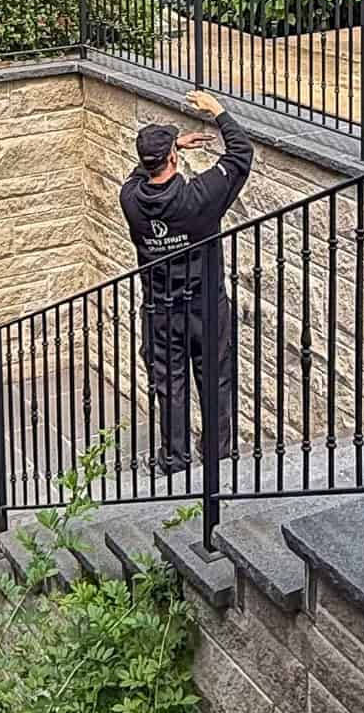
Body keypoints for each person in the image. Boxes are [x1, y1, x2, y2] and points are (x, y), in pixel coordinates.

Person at [118, 89, 253, 476]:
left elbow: (141, 171)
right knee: (215, 379)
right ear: (174, 159)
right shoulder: (199, 197)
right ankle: (216, 454)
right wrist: (218, 111)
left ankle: (175, 461)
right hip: (205, 306)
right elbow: (240, 154)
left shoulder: (131, 199)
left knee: (169, 384)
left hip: (160, 310)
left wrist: (170, 147)